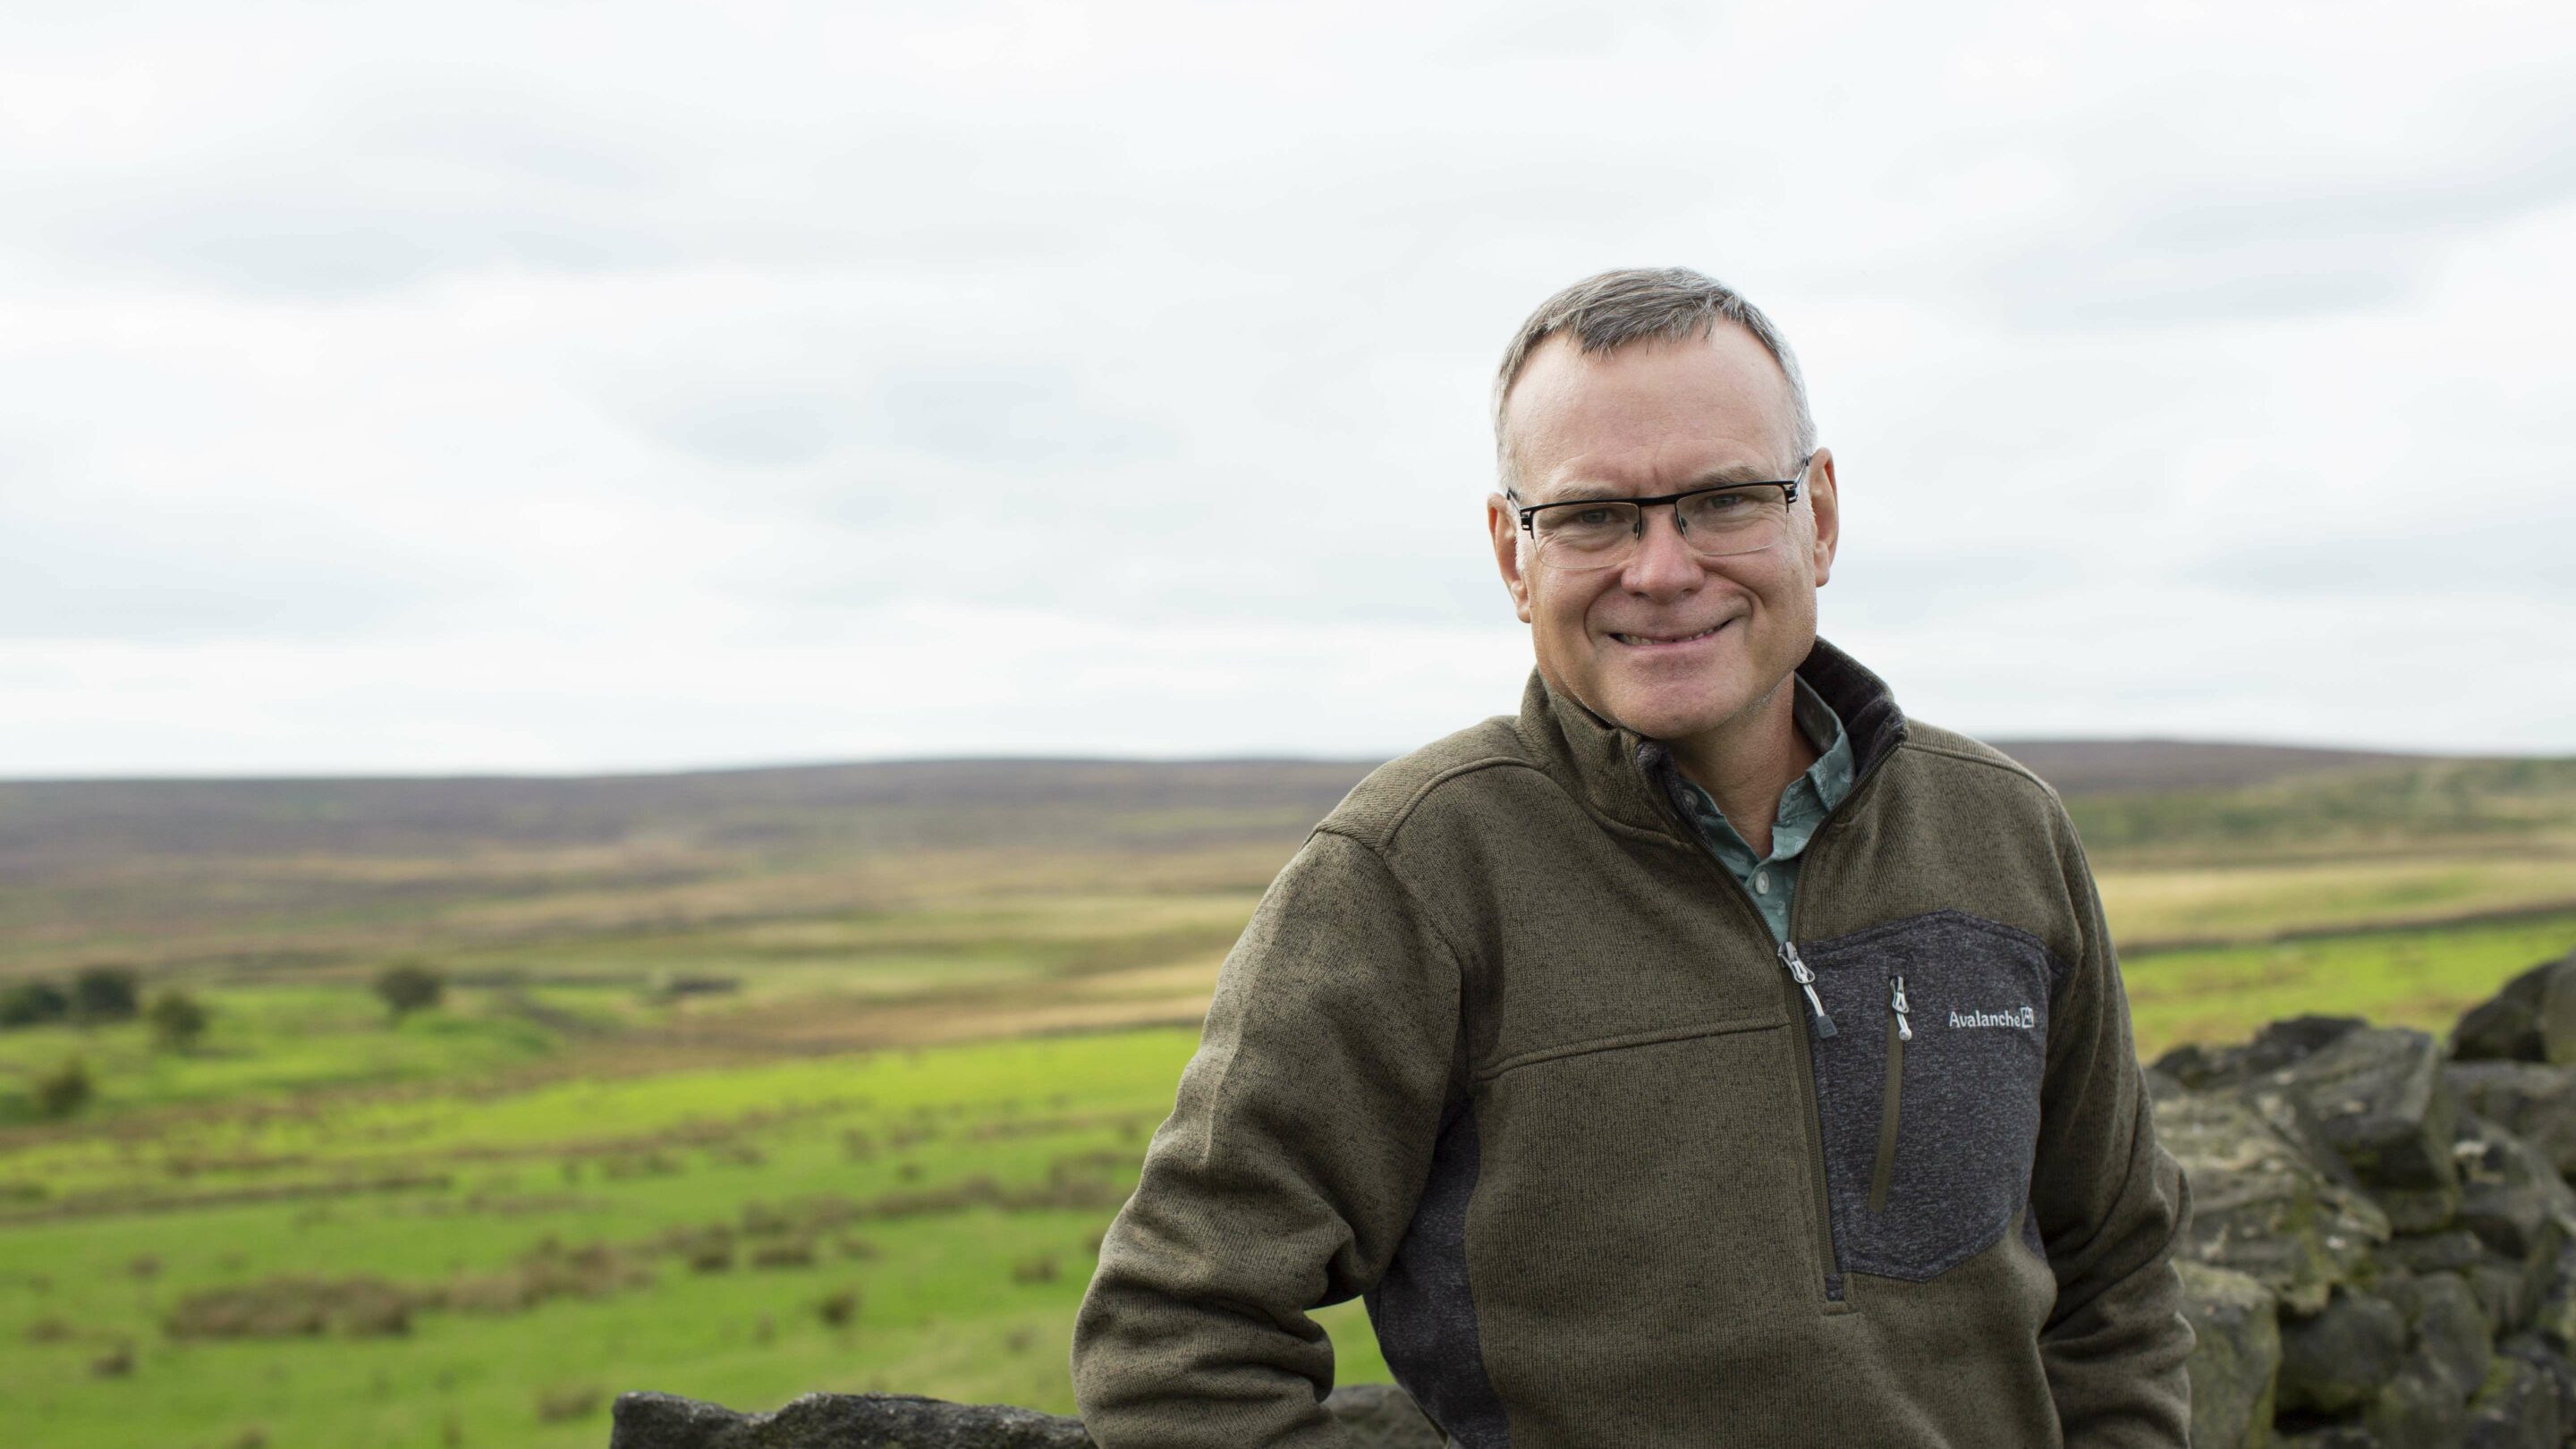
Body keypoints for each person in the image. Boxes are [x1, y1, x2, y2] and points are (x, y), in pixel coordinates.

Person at [1070, 267, 2193, 1447]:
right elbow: (1175, 1342)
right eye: (1595, 514)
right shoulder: (1411, 873)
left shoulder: (2003, 835)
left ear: (1818, 515)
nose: (1660, 569)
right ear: (1514, 553)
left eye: (1723, 499)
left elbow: (2114, 1273)